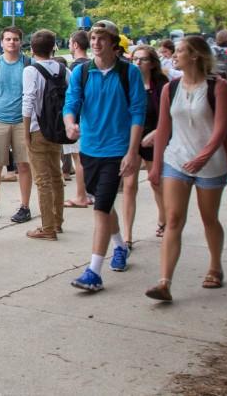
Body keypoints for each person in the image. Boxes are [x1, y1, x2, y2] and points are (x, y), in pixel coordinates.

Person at [145, 36, 227, 302]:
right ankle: (164, 282)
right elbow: (164, 129)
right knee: (173, 219)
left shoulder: (217, 87)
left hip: (210, 162)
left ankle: (215, 266)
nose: (175, 55)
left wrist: (203, 156)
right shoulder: (170, 88)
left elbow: (220, 130)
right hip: (177, 159)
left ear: (195, 55)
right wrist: (157, 165)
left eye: (181, 51)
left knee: (209, 218)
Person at [64, 20, 147, 292]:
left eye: (102, 38)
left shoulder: (129, 73)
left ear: (114, 44)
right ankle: (120, 246)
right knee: (103, 201)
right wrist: (70, 123)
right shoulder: (82, 73)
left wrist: (133, 151)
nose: (96, 43)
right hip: (89, 148)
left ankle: (94, 272)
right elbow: (71, 103)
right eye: (93, 38)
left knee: (100, 209)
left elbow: (138, 113)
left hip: (117, 149)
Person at [0, 27, 33, 224]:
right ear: (1, 43)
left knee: (24, 164)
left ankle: (25, 206)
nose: (12, 42)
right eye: (8, 39)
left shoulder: (28, 64)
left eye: (16, 39)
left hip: (22, 121)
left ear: (21, 42)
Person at [21, 30, 69, 241]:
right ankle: (57, 221)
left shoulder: (31, 70)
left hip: (37, 128)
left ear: (32, 49)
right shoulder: (63, 69)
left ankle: (47, 227)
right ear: (54, 47)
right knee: (56, 175)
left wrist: (25, 132)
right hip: (57, 129)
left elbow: (28, 100)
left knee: (42, 180)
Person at [132, 45, 169, 241]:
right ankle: (127, 235)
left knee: (156, 182)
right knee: (129, 185)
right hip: (133, 138)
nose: (137, 63)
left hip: (154, 139)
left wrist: (157, 132)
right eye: (135, 59)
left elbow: (169, 116)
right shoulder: (129, 83)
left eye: (142, 59)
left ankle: (165, 219)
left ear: (152, 63)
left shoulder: (162, 86)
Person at [64, 30, 92, 208]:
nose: (69, 46)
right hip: (90, 120)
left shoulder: (76, 68)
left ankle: (82, 195)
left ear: (75, 45)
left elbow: (72, 98)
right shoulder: (92, 65)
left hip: (79, 120)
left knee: (78, 159)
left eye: (69, 43)